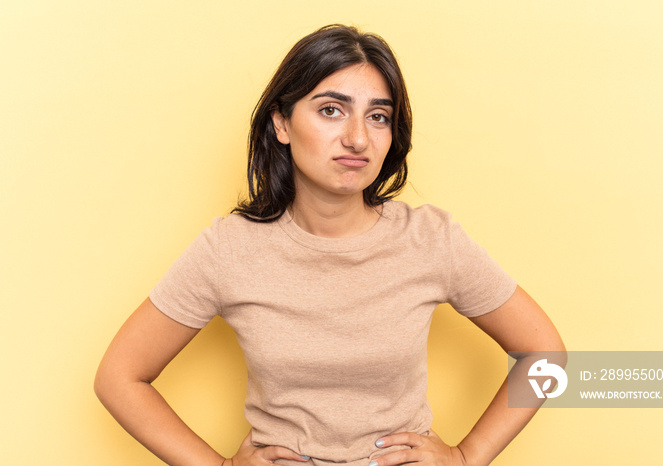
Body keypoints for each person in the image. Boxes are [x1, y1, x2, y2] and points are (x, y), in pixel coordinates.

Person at [95, 24, 566, 466]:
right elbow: (119, 378)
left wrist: (466, 457)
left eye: (377, 116)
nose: (357, 137)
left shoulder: (431, 241)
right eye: (330, 110)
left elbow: (546, 354)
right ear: (281, 124)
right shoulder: (229, 249)